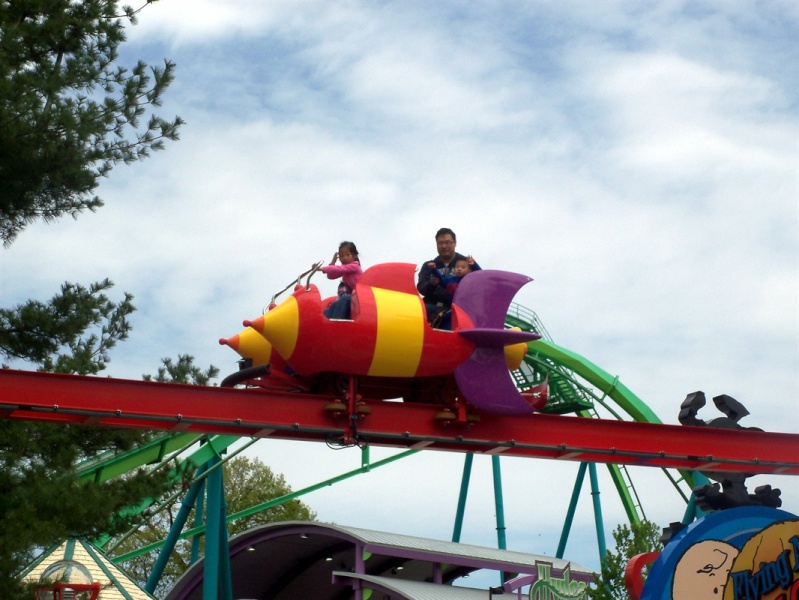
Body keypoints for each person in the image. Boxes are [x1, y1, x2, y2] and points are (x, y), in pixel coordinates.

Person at [417, 228, 480, 323]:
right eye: (440, 243)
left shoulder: (466, 264)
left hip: (457, 313)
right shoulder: (429, 265)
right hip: (429, 310)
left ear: (454, 243)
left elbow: (479, 283)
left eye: (447, 242)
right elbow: (421, 287)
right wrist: (432, 284)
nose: (444, 246)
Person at [320, 241, 362, 319]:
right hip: (353, 297)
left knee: (345, 299)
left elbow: (339, 269)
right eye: (342, 256)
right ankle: (323, 320)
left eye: (348, 255)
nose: (344, 258)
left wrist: (322, 268)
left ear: (354, 255)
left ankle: (335, 323)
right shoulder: (345, 270)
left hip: (360, 297)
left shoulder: (354, 266)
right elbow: (330, 276)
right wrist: (333, 261)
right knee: (331, 307)